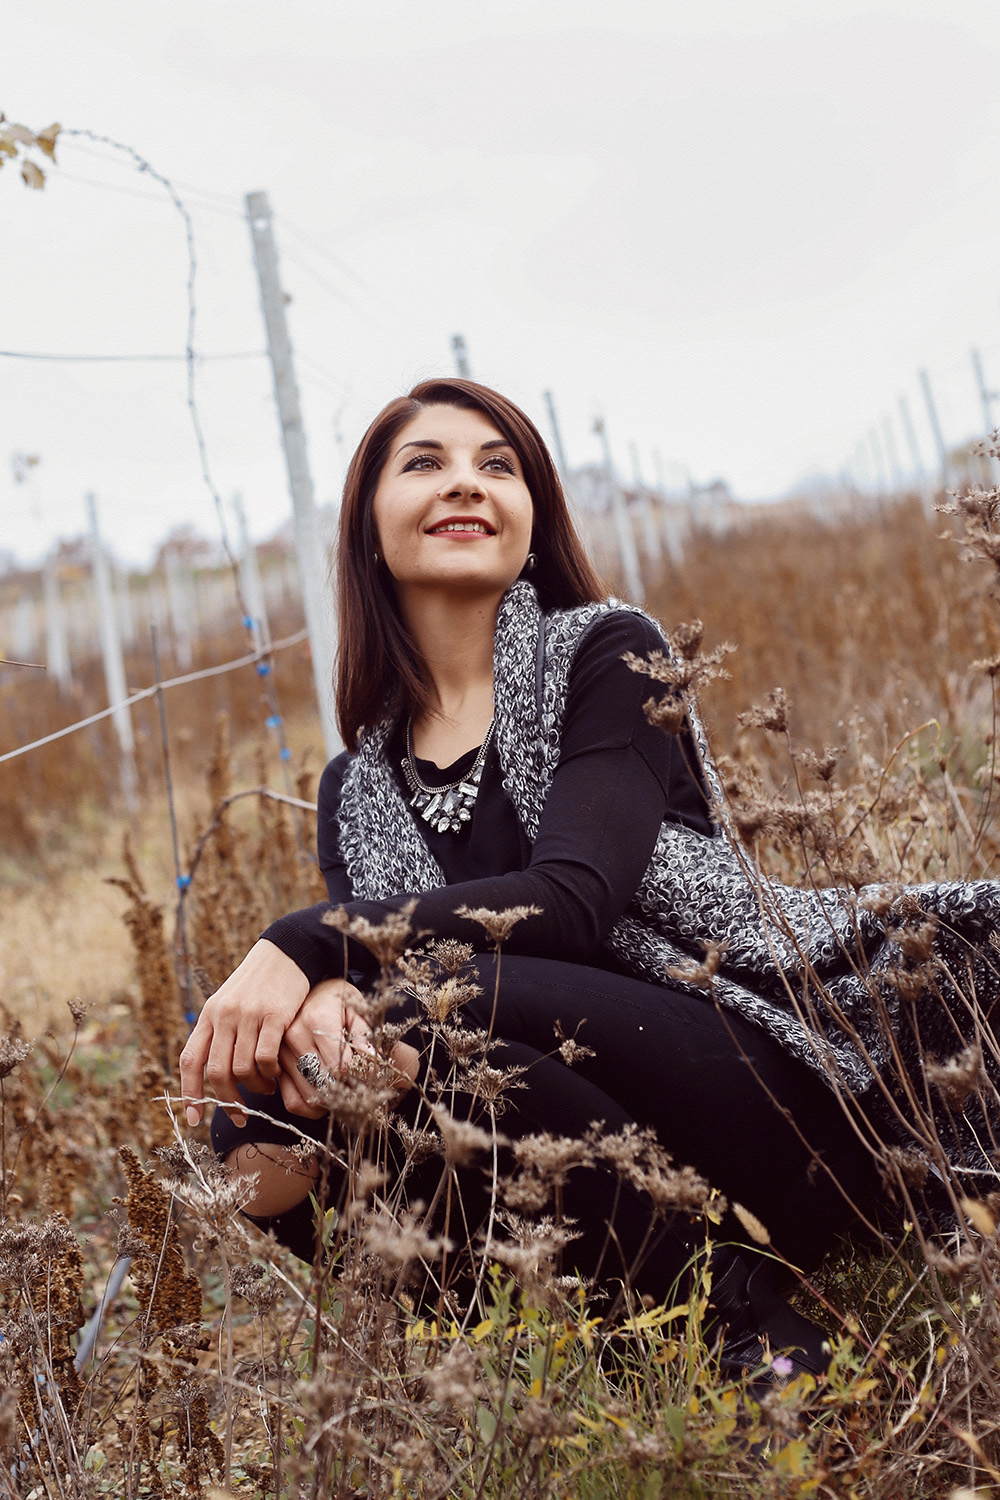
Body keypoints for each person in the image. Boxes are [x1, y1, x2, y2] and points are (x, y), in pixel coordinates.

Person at [180, 378, 1000, 1375]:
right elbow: (362, 996)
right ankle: (539, 1316)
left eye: (498, 465)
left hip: (752, 1096)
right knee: (262, 1091)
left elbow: (570, 900)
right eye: (425, 463)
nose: (466, 482)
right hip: (554, 1143)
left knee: (421, 1006)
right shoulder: (355, 787)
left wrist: (308, 941)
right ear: (367, 529)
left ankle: (749, 1332)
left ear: (531, 520)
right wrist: (310, 1015)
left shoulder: (609, 655)